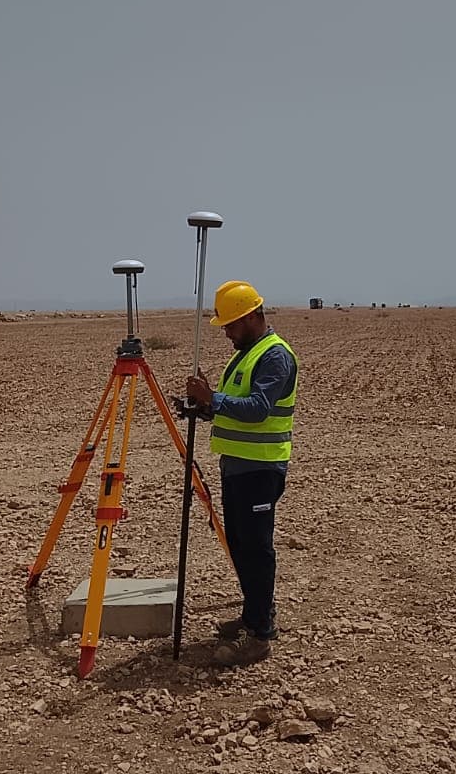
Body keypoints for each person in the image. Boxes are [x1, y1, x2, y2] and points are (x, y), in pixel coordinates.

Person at [184, 280, 298, 666]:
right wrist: (205, 407)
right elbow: (235, 410)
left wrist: (212, 398)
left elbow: (257, 408)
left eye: (231, 325)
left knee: (256, 550)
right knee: (240, 546)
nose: (227, 332)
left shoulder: (274, 356)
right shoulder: (245, 353)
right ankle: (254, 614)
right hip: (237, 466)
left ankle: (261, 634)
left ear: (251, 317)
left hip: (260, 468)